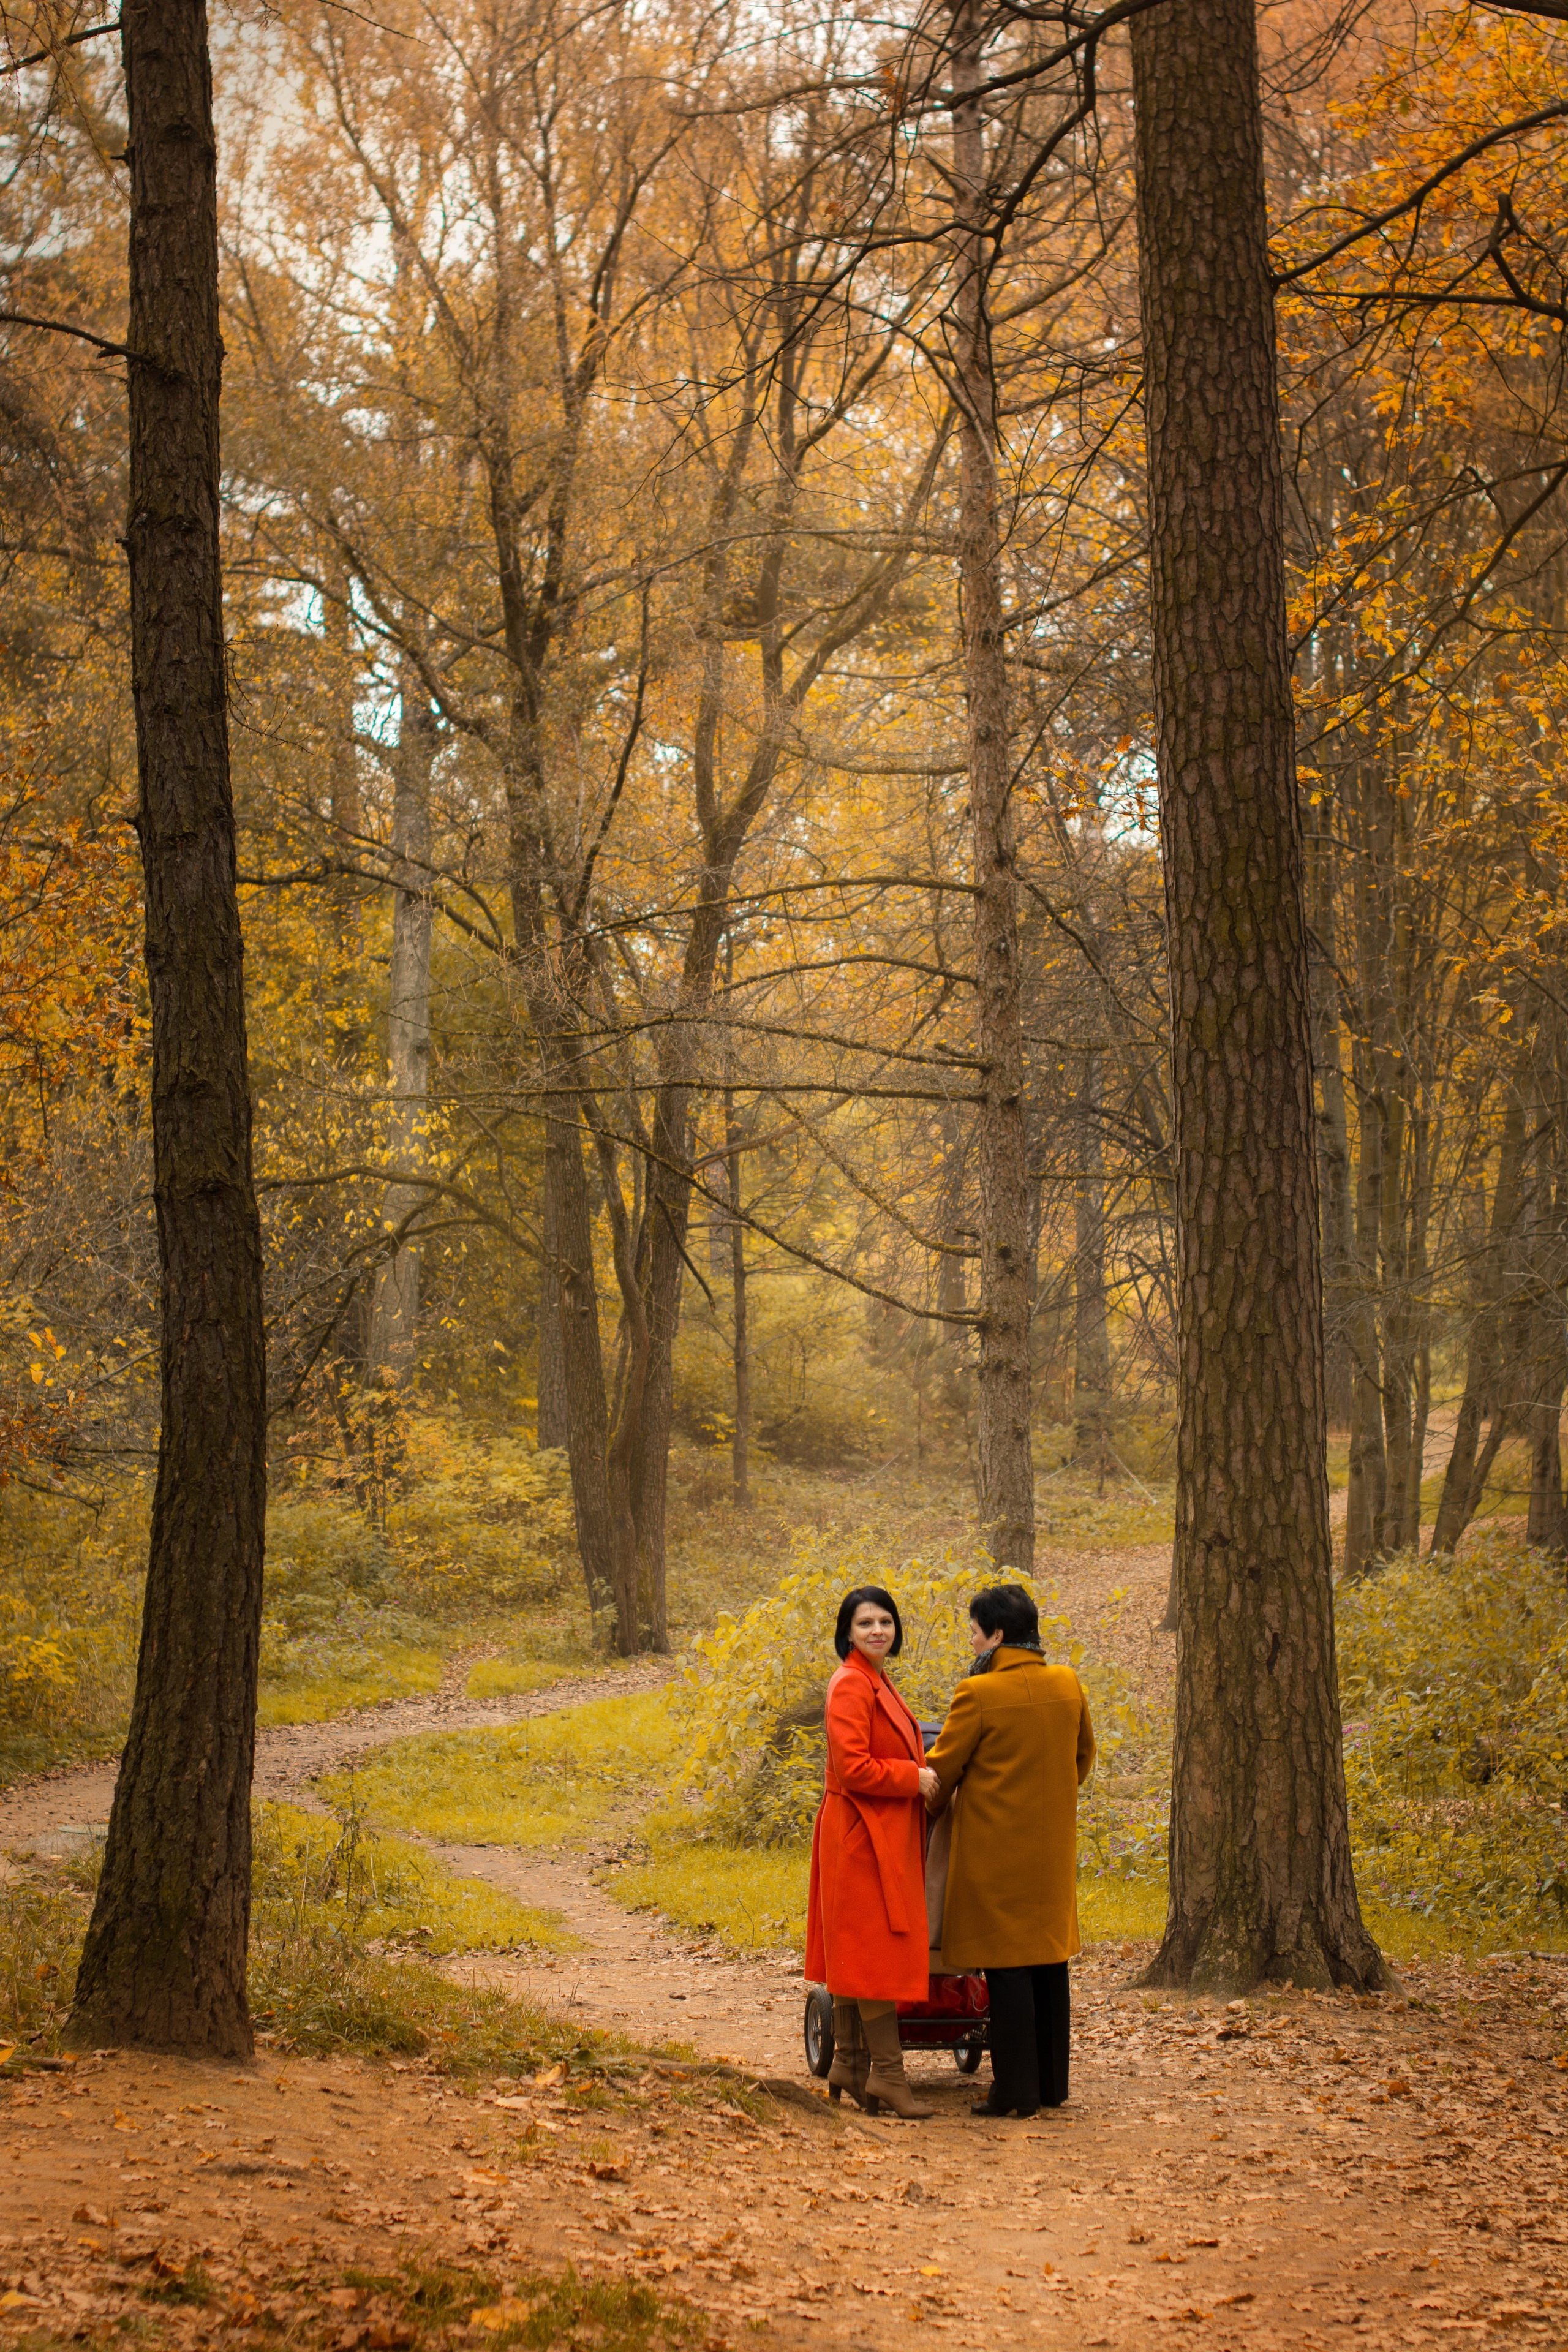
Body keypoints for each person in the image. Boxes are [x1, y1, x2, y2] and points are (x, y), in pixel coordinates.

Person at [924, 1581, 1095, 2119]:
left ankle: (1015, 2093)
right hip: (1049, 1851)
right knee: (1048, 1963)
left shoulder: (977, 1694)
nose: (972, 1644)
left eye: (975, 1633)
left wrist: (931, 1807)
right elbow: (1083, 1757)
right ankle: (1050, 2086)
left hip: (994, 1853)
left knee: (1007, 1969)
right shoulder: (1068, 1683)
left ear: (997, 1635)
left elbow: (943, 1769)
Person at [805, 1584, 943, 2119]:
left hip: (871, 1830)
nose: (878, 1630)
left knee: (856, 1948)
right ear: (848, 1632)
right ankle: (887, 2074)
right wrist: (916, 1778)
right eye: (866, 1624)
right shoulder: (850, 1685)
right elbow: (854, 1767)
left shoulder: (875, 1679)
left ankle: (851, 2063)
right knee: (872, 1950)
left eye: (885, 1621)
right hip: (859, 1834)